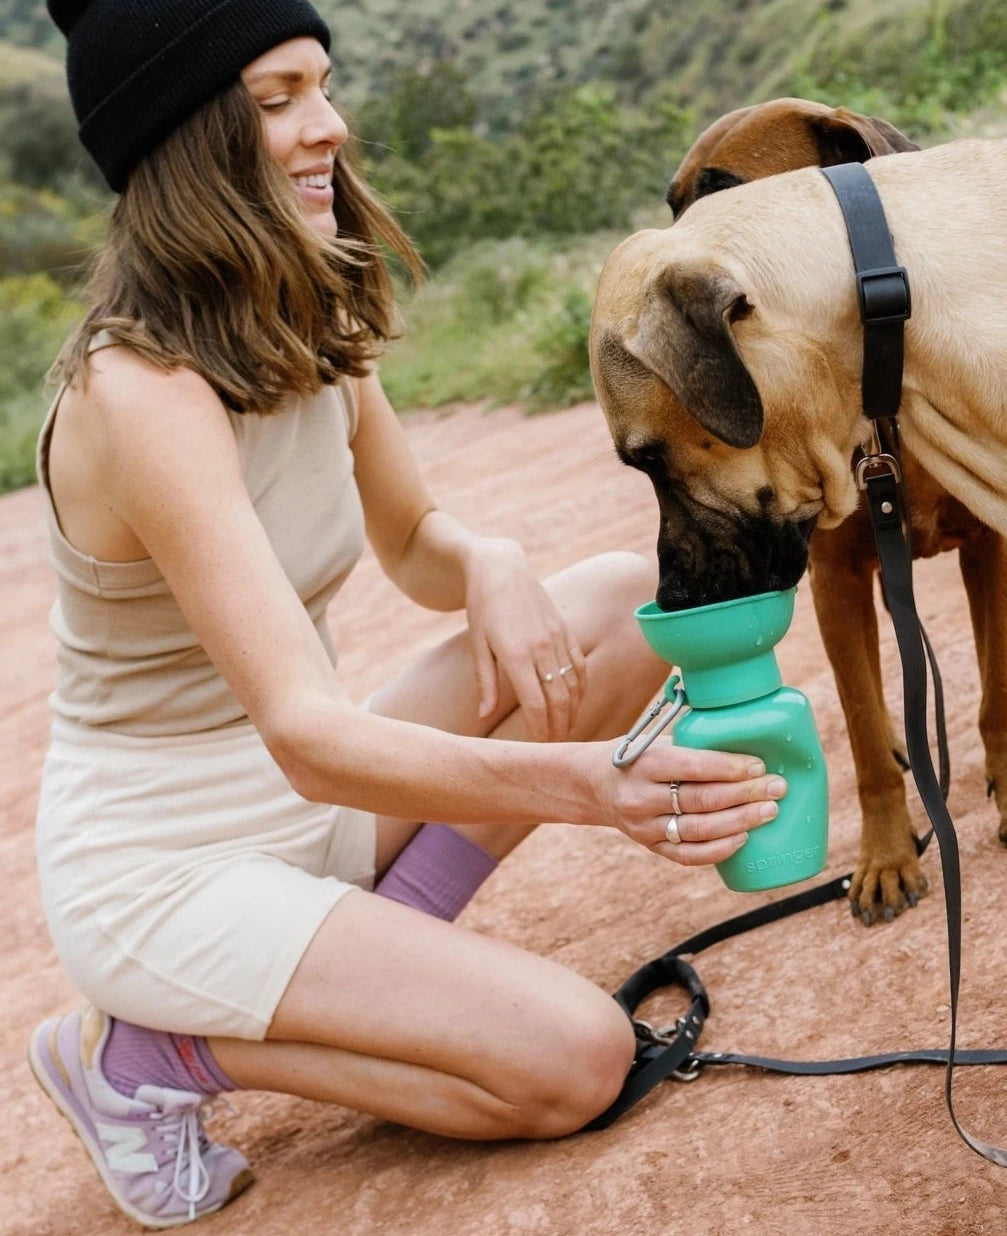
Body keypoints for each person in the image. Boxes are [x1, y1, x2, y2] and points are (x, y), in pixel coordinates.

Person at [27, 1, 788, 1228]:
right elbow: (306, 734)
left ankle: (372, 956)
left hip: (308, 812)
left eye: (321, 86)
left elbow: (413, 544)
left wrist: (482, 556)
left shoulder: (307, 307)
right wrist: (594, 786)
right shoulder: (142, 392)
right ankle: (147, 1055)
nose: (326, 125)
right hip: (171, 874)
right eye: (276, 100)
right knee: (577, 1062)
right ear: (184, 139)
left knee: (608, 607)